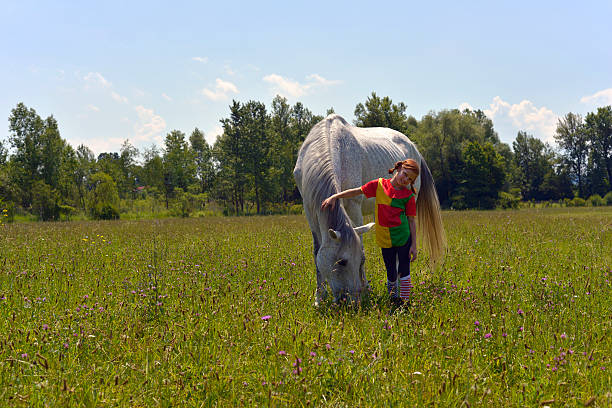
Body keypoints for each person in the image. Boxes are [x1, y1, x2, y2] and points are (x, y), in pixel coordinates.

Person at [321, 159, 419, 304]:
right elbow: (356, 191)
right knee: (390, 270)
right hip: (385, 238)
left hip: (403, 238)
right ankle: (393, 299)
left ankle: (405, 302)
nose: (406, 180)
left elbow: (411, 221)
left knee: (404, 271)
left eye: (410, 179)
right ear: (399, 168)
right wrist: (335, 196)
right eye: (405, 174)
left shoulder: (409, 196)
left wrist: (414, 245)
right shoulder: (379, 185)